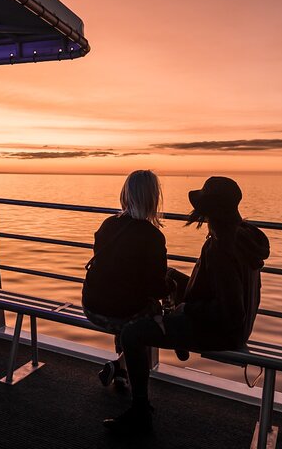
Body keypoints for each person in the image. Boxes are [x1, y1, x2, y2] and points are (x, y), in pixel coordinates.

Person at [103, 176, 270, 434]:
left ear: (210, 209)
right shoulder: (242, 235)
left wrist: (186, 310)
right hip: (239, 323)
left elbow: (230, 313)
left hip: (221, 331)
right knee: (168, 276)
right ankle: (171, 326)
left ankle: (140, 411)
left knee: (131, 333)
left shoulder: (220, 249)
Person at [82, 170, 173, 388]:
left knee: (127, 305)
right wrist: (171, 286)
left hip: (92, 305)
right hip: (118, 313)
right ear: (154, 198)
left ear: (126, 194)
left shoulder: (108, 225)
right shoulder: (153, 237)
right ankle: (124, 368)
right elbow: (157, 289)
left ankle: (120, 371)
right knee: (149, 314)